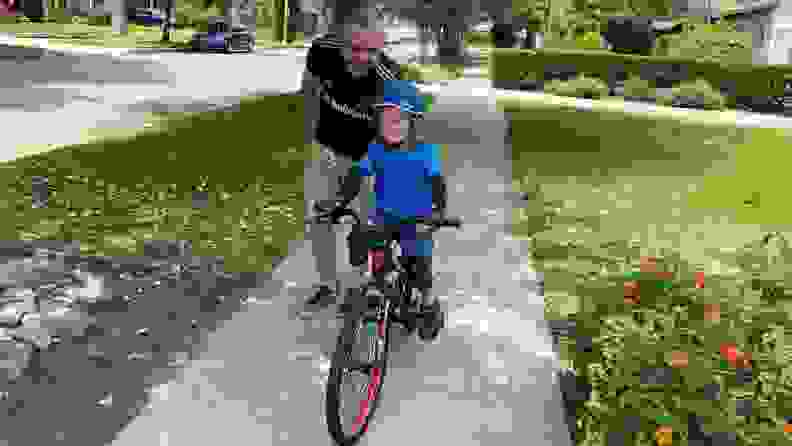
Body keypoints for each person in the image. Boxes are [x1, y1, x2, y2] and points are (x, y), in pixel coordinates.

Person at [322, 79, 449, 342]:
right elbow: (357, 176)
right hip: (385, 215)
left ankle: (427, 303)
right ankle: (363, 289)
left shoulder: (425, 152)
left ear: (413, 122)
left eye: (400, 118)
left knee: (420, 267)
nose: (393, 124)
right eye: (386, 117)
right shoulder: (376, 149)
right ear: (378, 121)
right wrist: (338, 202)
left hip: (418, 219)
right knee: (361, 238)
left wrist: (438, 212)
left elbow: (437, 185)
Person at [302, 5, 402, 308]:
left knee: (368, 221)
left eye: (369, 50)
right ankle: (327, 284)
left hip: (369, 154)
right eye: (352, 48)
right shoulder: (322, 52)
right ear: (340, 41)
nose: (361, 57)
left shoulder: (388, 75)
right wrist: (312, 144)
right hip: (329, 148)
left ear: (380, 47)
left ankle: (362, 284)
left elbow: (400, 127)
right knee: (321, 216)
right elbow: (309, 92)